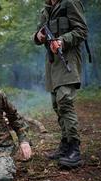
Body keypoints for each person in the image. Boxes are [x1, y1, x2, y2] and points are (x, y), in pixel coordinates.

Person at [33, 0, 88, 168]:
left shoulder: (70, 3)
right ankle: (65, 145)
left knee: (65, 102)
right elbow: (37, 33)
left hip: (68, 59)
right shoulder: (46, 9)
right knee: (57, 104)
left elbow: (82, 30)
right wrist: (38, 36)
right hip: (51, 64)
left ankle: (74, 149)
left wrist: (63, 41)